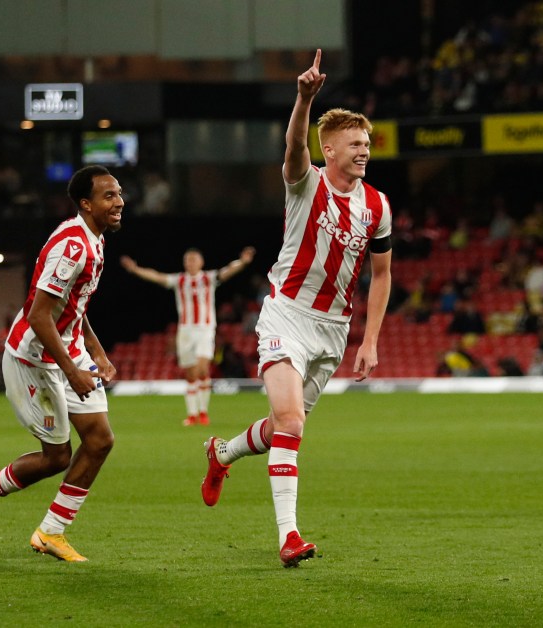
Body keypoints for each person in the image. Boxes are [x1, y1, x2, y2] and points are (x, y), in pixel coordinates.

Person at [200, 49, 393, 567]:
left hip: (333, 331)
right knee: (290, 421)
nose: (364, 151)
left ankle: (221, 454)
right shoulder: (305, 182)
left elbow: (383, 275)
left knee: (280, 427)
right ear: (327, 149)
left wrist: (370, 340)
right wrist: (304, 97)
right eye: (355, 144)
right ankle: (289, 537)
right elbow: (291, 147)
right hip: (287, 313)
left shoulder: (377, 205)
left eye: (367, 143)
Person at [0, 165, 122, 562]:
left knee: (100, 440)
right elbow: (38, 315)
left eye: (119, 194)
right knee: (57, 458)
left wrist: (97, 352)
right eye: (108, 196)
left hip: (67, 350)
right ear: (86, 204)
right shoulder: (73, 247)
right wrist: (72, 370)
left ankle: (50, 532)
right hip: (34, 358)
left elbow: (74, 306)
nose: (119, 202)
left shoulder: (94, 241)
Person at [120, 246, 256, 426]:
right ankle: (192, 415)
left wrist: (243, 262)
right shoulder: (180, 280)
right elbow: (157, 276)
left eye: (193, 259)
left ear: (201, 262)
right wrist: (135, 269)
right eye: (187, 260)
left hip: (205, 329)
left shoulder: (208, 278)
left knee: (202, 368)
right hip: (185, 332)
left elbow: (227, 272)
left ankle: (203, 412)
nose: (190, 263)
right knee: (191, 374)